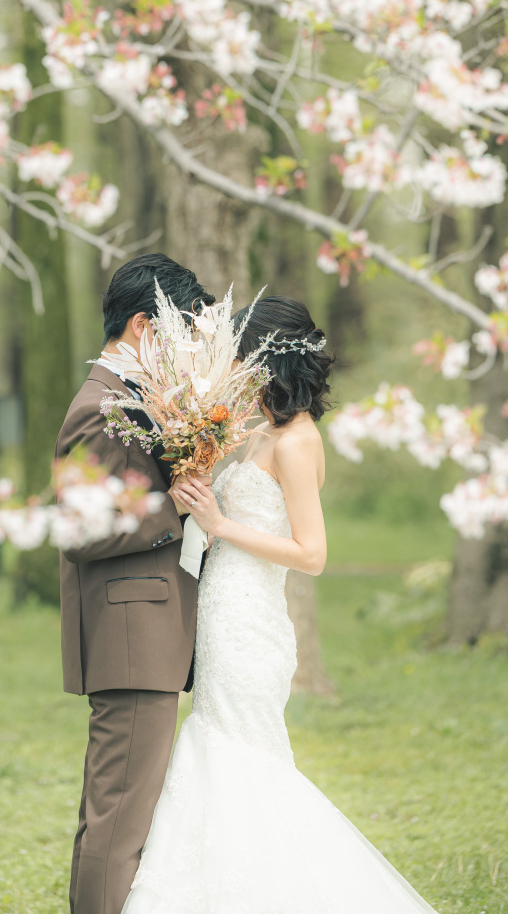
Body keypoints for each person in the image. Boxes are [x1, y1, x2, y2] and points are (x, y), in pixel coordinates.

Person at [122, 295, 440, 914]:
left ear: (267, 360)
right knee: (220, 745)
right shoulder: (264, 430)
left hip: (249, 621)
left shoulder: (296, 442)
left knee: (241, 751)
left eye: (240, 356)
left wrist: (221, 522)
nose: (233, 366)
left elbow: (312, 552)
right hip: (221, 608)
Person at [56, 253, 215, 914]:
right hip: (131, 632)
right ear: (146, 324)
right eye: (179, 334)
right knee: (120, 819)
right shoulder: (100, 405)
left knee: (124, 817)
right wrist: (172, 506)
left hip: (145, 631)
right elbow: (78, 528)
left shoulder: (136, 399)